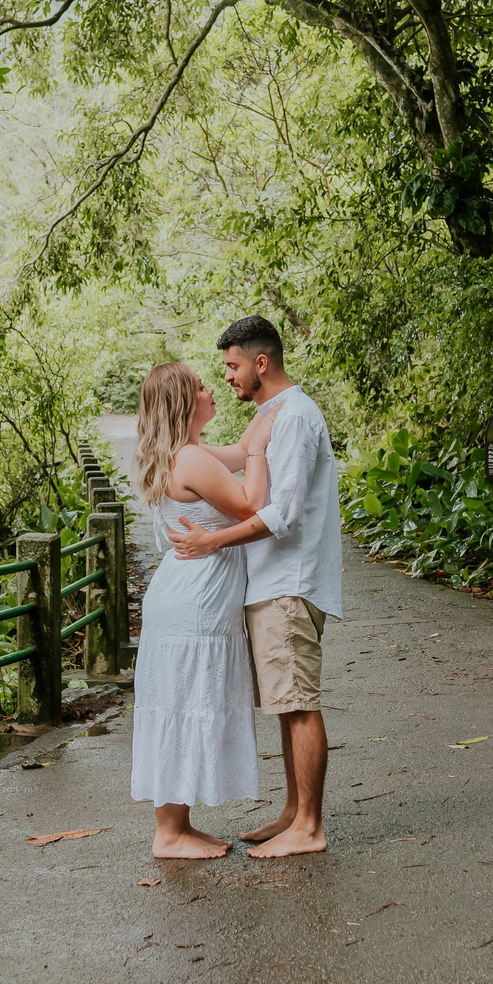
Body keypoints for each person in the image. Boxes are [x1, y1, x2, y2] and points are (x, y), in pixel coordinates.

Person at [168, 316, 342, 858]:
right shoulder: (271, 413)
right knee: (286, 705)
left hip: (288, 581)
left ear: (260, 363)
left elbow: (280, 513)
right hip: (271, 582)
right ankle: (293, 813)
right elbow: (230, 459)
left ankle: (309, 827)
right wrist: (173, 438)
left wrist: (211, 544)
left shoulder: (292, 417)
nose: (228, 377)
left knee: (299, 703)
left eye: (233, 366)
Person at [131, 362, 283, 859]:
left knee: (180, 705)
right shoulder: (191, 460)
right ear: (182, 402)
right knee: (182, 706)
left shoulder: (185, 453)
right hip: (192, 604)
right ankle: (169, 834)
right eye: (200, 385)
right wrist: (260, 447)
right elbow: (251, 502)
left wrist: (268, 412)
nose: (211, 387)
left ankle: (178, 826)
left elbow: (238, 453)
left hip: (187, 599)